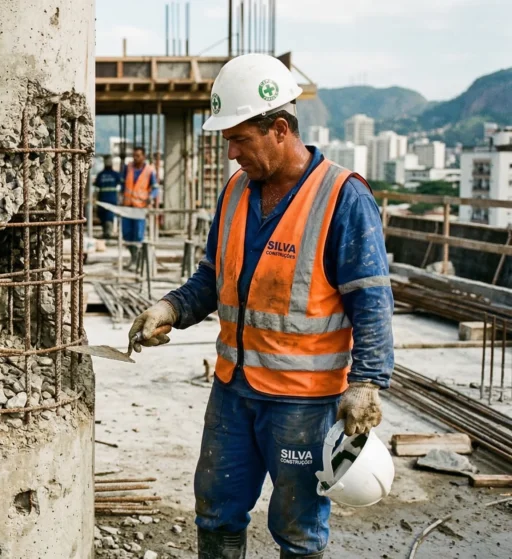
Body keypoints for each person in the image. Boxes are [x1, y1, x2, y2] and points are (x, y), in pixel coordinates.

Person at [128, 54, 394, 559]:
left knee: (297, 526)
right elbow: (212, 279)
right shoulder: (235, 192)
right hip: (233, 390)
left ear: (279, 129)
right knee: (215, 508)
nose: (231, 153)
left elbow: (372, 300)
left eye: (240, 139)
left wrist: (367, 382)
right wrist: (170, 309)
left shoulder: (342, 197)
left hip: (302, 401)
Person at [120, 146, 158, 267]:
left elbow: (155, 188)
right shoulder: (128, 168)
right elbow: (122, 185)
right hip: (127, 207)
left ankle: (137, 260)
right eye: (134, 156)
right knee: (127, 234)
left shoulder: (149, 170)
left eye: (138, 156)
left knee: (138, 235)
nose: (135, 158)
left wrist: (150, 197)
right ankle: (133, 257)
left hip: (140, 208)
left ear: (143, 157)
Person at [93, 155, 122, 239]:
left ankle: (108, 232)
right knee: (104, 216)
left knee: (108, 216)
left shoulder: (103, 174)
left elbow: (96, 184)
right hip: (106, 199)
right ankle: (106, 232)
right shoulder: (111, 174)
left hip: (107, 199)